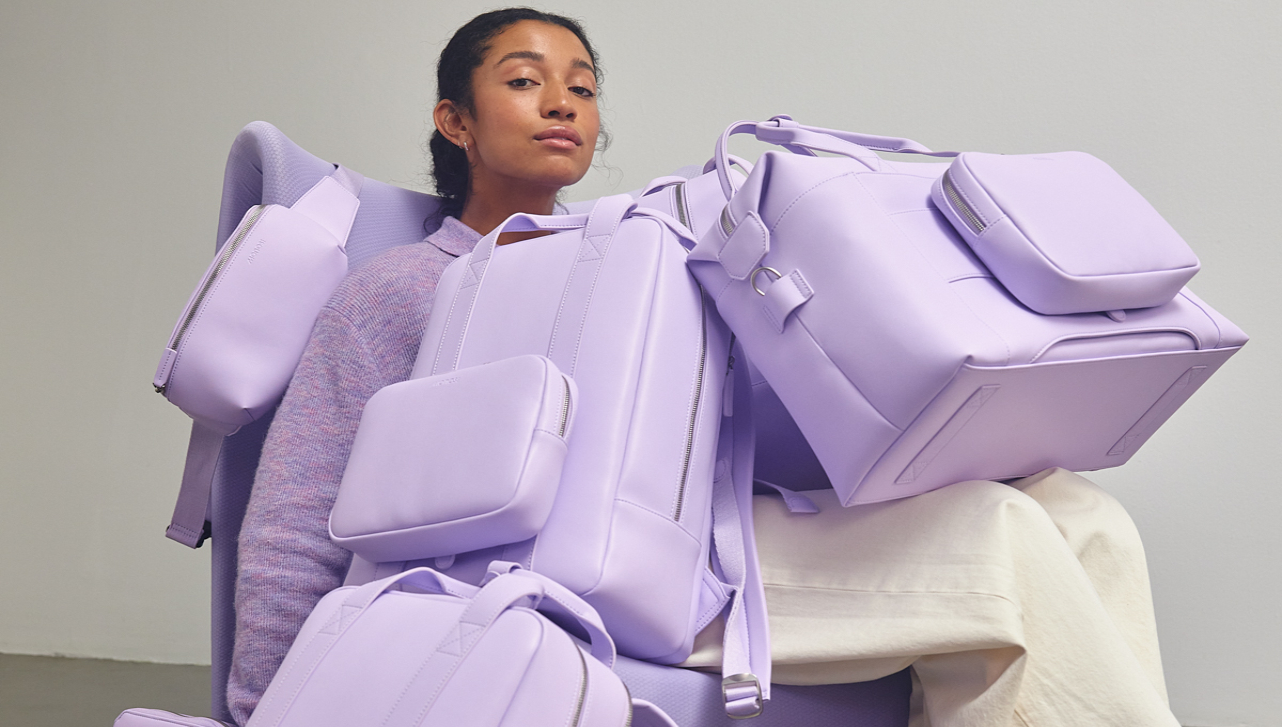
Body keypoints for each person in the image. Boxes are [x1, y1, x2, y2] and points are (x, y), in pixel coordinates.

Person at [229, 8, 1181, 727]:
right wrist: (262, 701)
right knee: (1004, 539)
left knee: (1080, 513)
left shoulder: (653, 253)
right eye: (525, 81)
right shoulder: (399, 288)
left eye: (585, 85)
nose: (564, 101)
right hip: (566, 571)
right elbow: (293, 505)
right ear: (455, 119)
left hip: (721, 538)